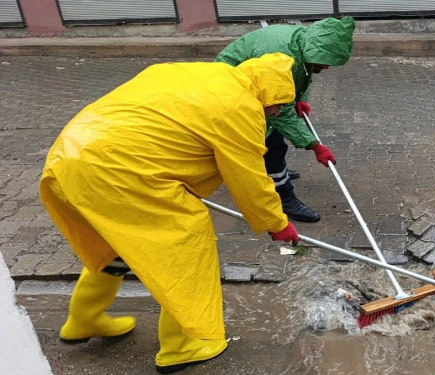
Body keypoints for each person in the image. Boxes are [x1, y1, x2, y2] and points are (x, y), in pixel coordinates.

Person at [39, 53, 301, 374]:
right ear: (266, 93)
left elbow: (169, 125)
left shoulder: (199, 75)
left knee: (116, 244)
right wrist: (276, 223)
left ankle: (84, 318)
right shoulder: (239, 107)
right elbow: (249, 178)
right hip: (121, 168)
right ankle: (183, 345)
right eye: (276, 104)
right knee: (185, 244)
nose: (275, 112)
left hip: (71, 155)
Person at [215, 16, 356, 223]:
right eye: (324, 61)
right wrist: (315, 146)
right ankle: (284, 198)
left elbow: (303, 73)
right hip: (230, 87)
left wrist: (300, 98)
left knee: (275, 136)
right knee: (269, 143)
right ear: (313, 48)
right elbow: (283, 114)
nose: (326, 67)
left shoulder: (302, 43)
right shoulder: (281, 53)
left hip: (255, 83)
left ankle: (275, 170)